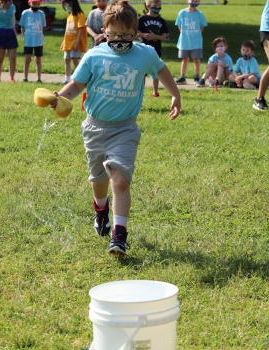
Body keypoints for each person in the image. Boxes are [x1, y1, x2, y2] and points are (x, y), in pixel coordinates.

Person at [49, 0, 181, 255]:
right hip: (94, 128)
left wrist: (175, 94)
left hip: (125, 129)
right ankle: (101, 209)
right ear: (104, 31)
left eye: (125, 35)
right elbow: (77, 85)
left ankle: (119, 234)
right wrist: (60, 97)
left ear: (135, 33)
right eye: (113, 35)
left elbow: (162, 71)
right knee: (98, 181)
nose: (119, 39)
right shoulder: (95, 55)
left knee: (119, 180)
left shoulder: (144, 53)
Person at [137, 0, 169, 97]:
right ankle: (140, 91)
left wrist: (155, 36)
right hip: (144, 50)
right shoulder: (142, 19)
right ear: (148, 6)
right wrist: (146, 35)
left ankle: (155, 92)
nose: (158, 7)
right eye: (155, 5)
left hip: (156, 49)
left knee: (156, 72)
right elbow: (136, 33)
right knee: (142, 73)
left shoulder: (161, 21)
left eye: (159, 5)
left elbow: (164, 36)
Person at [175, 0, 207, 85]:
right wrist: (184, 33)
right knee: (184, 59)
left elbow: (202, 27)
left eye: (196, 0)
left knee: (196, 59)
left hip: (196, 42)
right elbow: (179, 25)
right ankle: (182, 76)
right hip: (184, 41)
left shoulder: (200, 14)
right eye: (192, 0)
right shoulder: (182, 13)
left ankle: (196, 76)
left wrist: (195, 34)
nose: (194, 2)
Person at [60, 0, 88, 85]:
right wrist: (63, 42)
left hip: (75, 42)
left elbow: (81, 29)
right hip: (68, 42)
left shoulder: (80, 15)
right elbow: (67, 30)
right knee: (66, 60)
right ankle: (67, 79)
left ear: (71, 3)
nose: (65, 6)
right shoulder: (69, 15)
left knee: (75, 60)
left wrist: (77, 42)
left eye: (66, 4)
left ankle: (78, 79)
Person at [19, 0, 46, 83]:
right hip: (28, 40)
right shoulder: (25, 13)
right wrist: (24, 35)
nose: (36, 6)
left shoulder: (41, 13)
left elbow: (42, 26)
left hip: (38, 40)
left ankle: (38, 78)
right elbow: (22, 26)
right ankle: (25, 77)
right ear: (29, 3)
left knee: (38, 59)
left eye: (38, 4)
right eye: (34, 4)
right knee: (27, 59)